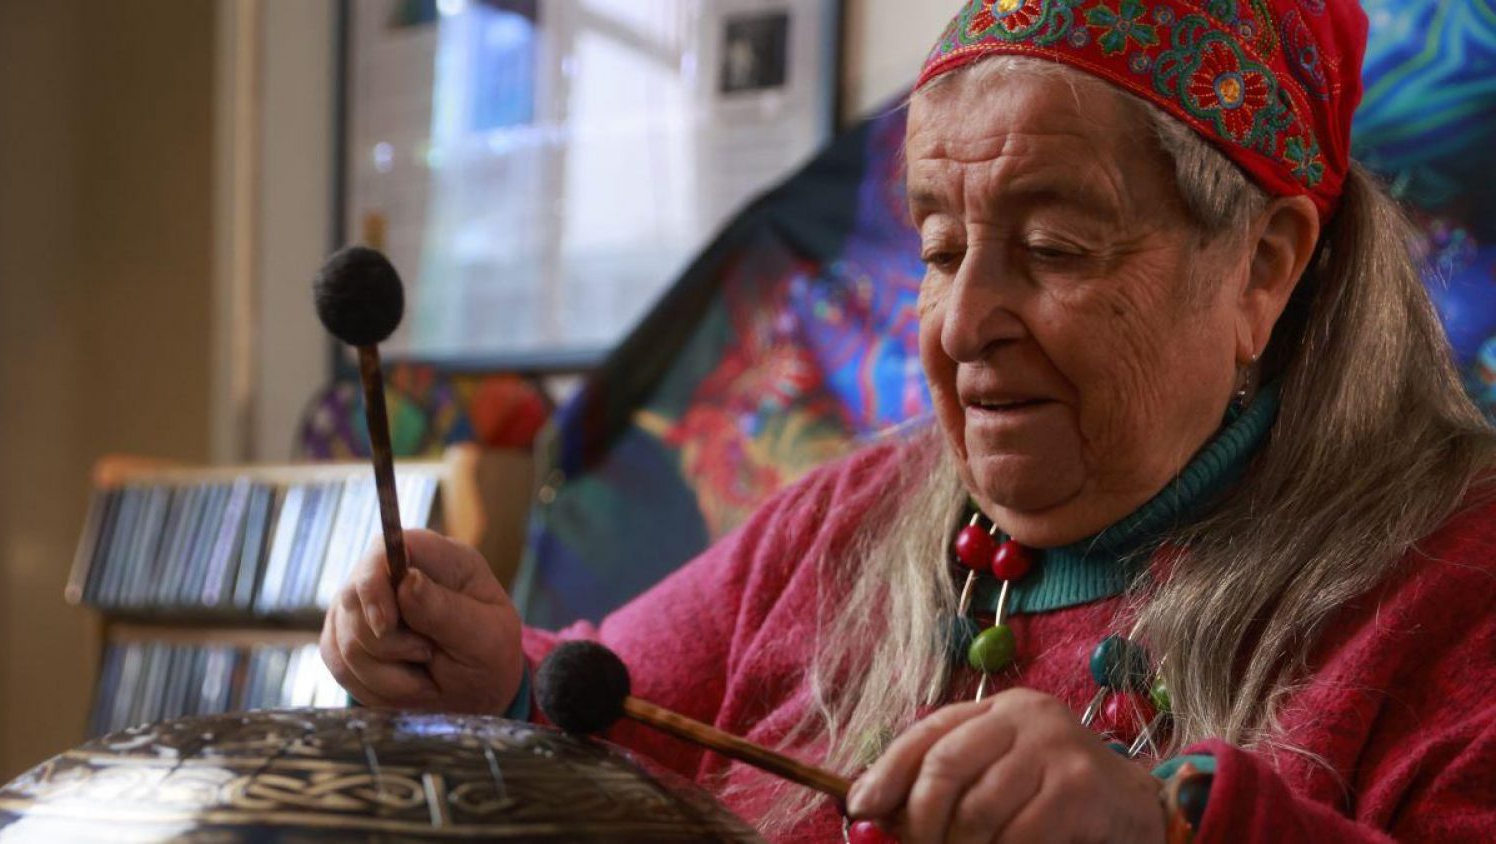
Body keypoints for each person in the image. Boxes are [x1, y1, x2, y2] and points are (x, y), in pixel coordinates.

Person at [322, 1, 1496, 840]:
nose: (964, 319)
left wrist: (1164, 821)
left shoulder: (1454, 577)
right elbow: (614, 710)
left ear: (1263, 269)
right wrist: (487, 679)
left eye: (1053, 248)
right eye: (940, 248)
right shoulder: (851, 517)